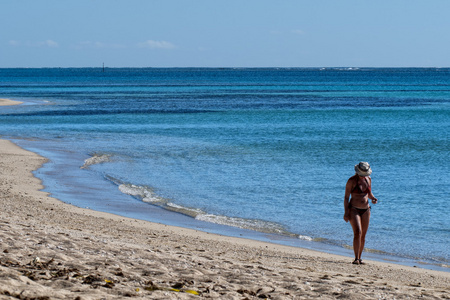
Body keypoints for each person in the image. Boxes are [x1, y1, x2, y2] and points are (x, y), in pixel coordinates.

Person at [344, 162, 378, 265]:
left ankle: (360, 258)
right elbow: (346, 198)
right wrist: (346, 212)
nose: (364, 176)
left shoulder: (368, 179)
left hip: (366, 210)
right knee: (357, 232)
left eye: (365, 174)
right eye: (362, 174)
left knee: (363, 235)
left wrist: (373, 198)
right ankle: (355, 258)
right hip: (354, 209)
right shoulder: (351, 181)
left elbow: (369, 193)